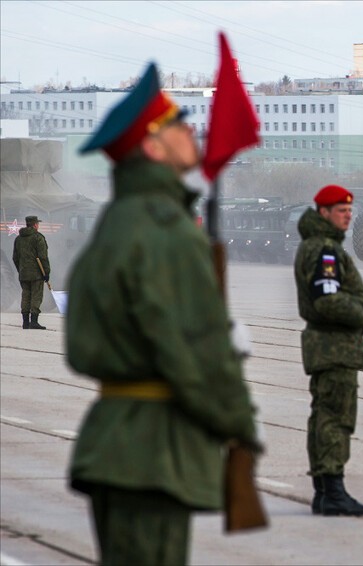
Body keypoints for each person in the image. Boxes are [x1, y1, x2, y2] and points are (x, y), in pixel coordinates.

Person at [66, 62, 262, 566]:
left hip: (115, 440)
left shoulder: (117, 224)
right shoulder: (166, 231)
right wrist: (239, 420)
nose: (191, 131)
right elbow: (194, 351)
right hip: (153, 454)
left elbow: (81, 347)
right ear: (152, 147)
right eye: (177, 124)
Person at [294, 184, 363, 517]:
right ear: (323, 213)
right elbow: (327, 300)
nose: (348, 215)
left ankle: (324, 491)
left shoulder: (318, 246)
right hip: (334, 346)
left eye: (349, 211)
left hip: (328, 345)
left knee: (324, 417)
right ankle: (333, 491)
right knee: (335, 418)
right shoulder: (325, 251)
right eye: (340, 210)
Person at [12, 215, 50, 329]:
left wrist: (21, 269)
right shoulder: (38, 237)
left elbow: (15, 257)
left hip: (23, 273)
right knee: (36, 296)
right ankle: (34, 321)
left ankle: (25, 322)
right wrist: (46, 272)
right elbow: (43, 257)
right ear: (35, 225)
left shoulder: (18, 239)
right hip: (37, 273)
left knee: (26, 296)